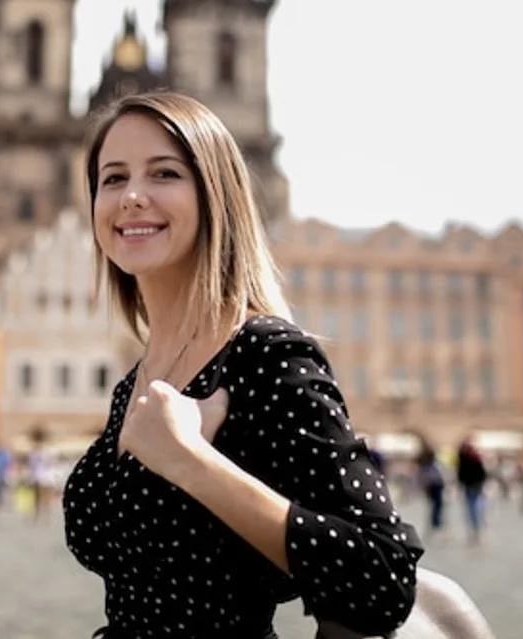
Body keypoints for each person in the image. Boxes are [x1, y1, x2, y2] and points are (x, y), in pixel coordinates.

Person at [62, 93, 424, 639]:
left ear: (215, 195)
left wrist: (190, 462)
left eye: (164, 173)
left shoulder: (265, 354)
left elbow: (383, 577)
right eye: (113, 178)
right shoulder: (136, 380)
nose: (132, 196)